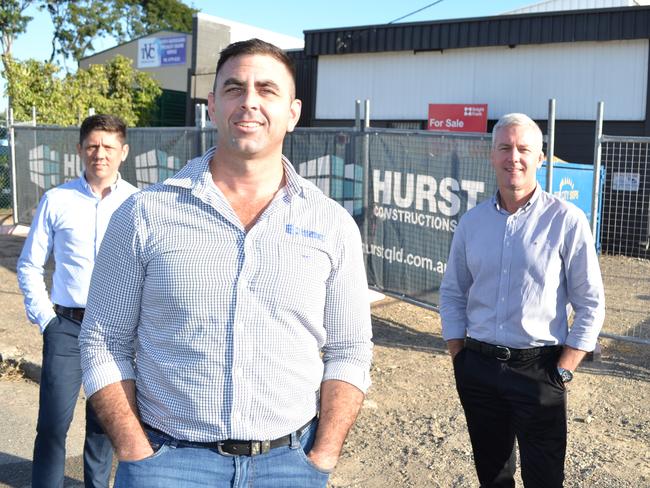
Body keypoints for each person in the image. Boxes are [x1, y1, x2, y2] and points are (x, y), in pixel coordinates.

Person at [79, 38, 373, 488]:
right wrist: (136, 452)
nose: (250, 102)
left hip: (289, 466)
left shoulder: (331, 224)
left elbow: (350, 350)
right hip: (168, 463)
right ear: (213, 107)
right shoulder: (146, 214)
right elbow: (103, 339)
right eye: (235, 89)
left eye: (267, 90)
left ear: (293, 113)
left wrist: (322, 455)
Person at [440, 113, 605, 488]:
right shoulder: (472, 223)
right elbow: (452, 292)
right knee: (493, 476)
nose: (513, 157)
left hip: (540, 371)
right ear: (492, 156)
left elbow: (591, 303)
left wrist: (563, 370)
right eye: (504, 148)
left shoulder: (566, 220)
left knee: (544, 479)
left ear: (540, 158)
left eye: (523, 149)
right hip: (478, 368)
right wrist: (459, 356)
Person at [17, 114, 138, 488]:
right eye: (92, 146)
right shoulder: (58, 200)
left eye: (108, 147)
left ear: (123, 152)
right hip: (66, 328)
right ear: (80, 150)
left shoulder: (139, 203)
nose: (99, 154)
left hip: (116, 332)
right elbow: (29, 264)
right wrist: (47, 321)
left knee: (103, 428)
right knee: (53, 425)